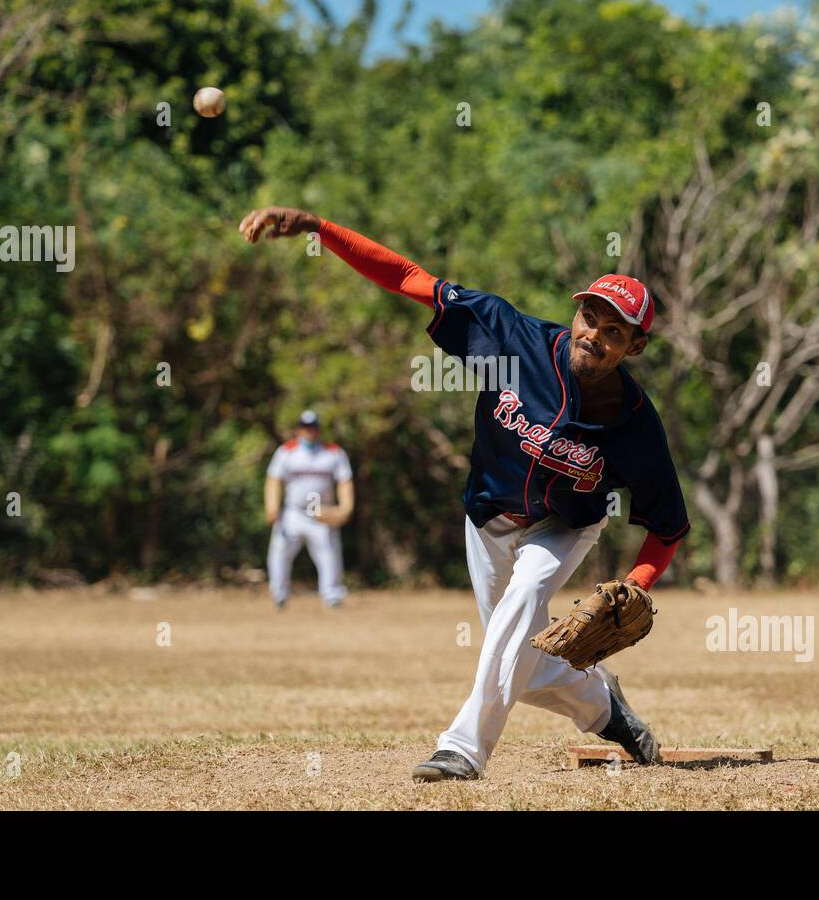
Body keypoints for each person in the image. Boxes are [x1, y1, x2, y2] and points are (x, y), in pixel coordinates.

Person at [239, 208, 690, 782]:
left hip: (566, 526)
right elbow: (408, 277)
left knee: (525, 599)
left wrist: (635, 585)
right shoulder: (512, 337)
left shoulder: (636, 423)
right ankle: (605, 707)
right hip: (487, 519)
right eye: (588, 316)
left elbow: (669, 526)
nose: (593, 335)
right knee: (518, 661)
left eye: (613, 331)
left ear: (635, 347)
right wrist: (318, 229)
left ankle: (463, 748)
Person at [264, 409, 354, 609]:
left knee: (329, 555)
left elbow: (345, 482)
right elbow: (273, 480)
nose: (309, 432)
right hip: (293, 512)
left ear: (319, 429)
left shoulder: (333, 453)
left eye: (313, 428)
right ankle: (279, 595)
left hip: (321, 511)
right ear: (298, 429)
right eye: (305, 428)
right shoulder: (286, 452)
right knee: (280, 553)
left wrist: (345, 508)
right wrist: (272, 507)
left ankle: (332, 597)